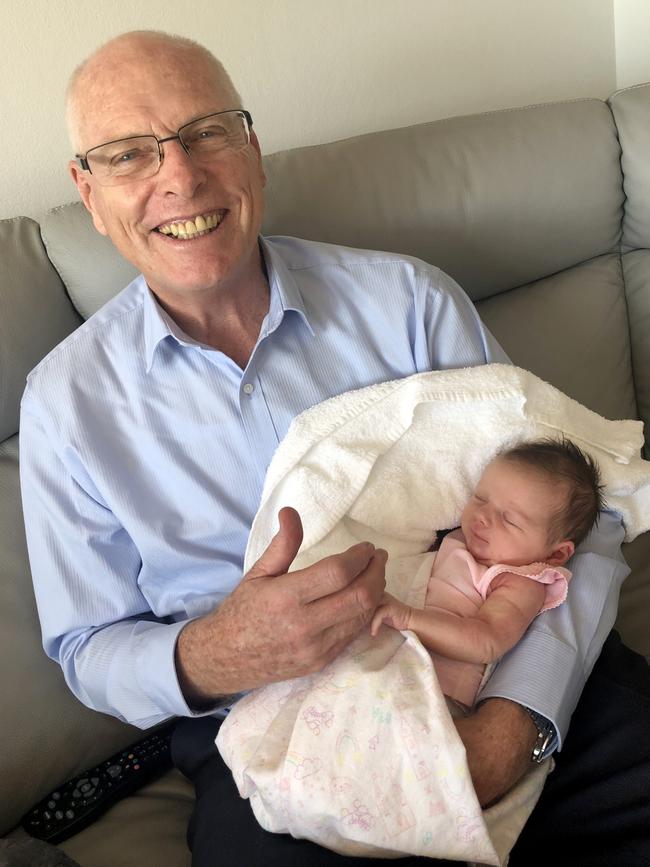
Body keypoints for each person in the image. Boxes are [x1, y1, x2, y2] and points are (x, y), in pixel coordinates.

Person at [17, 29, 649, 867]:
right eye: (130, 153)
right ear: (88, 193)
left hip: (491, 643)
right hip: (264, 713)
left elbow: (581, 500)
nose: (181, 175)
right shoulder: (65, 405)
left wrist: (516, 719)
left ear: (252, 150)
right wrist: (215, 651)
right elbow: (86, 646)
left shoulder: (408, 301)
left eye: (207, 131)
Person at [370, 438, 602, 713]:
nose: (482, 516)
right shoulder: (459, 540)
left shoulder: (518, 580)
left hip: (433, 693)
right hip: (386, 660)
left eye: (509, 519)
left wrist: (408, 618)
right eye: (480, 498)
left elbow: (487, 641)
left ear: (555, 555)